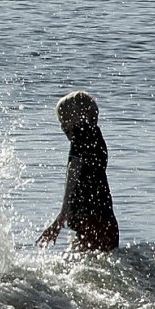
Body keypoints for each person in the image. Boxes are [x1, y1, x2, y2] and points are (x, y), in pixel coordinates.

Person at [38, 90, 119, 252]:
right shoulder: (96, 137)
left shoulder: (82, 134)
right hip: (105, 220)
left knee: (71, 265)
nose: (62, 126)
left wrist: (61, 217)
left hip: (92, 221)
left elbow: (73, 170)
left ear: (78, 117)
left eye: (64, 119)